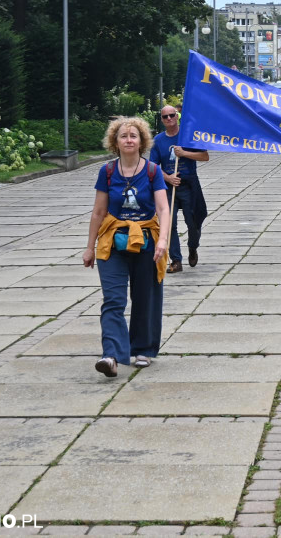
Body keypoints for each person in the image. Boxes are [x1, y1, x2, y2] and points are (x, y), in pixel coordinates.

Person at [84, 116, 170, 376]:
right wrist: (89, 247)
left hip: (146, 240)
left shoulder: (153, 171)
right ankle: (111, 355)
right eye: (124, 136)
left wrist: (163, 240)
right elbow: (98, 212)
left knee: (145, 297)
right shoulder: (107, 171)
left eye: (134, 136)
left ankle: (142, 348)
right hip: (112, 241)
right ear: (115, 142)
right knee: (113, 299)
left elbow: (163, 208)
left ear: (142, 141)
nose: (129, 140)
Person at [149, 105, 210, 273]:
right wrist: (167, 177)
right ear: (162, 120)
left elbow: (205, 156)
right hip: (168, 188)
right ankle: (176, 260)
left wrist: (184, 153)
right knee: (169, 223)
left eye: (171, 115)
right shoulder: (159, 141)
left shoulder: (188, 135)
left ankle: (192, 247)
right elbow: (153, 167)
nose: (169, 119)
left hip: (189, 185)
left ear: (177, 116)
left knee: (193, 222)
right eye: (165, 117)